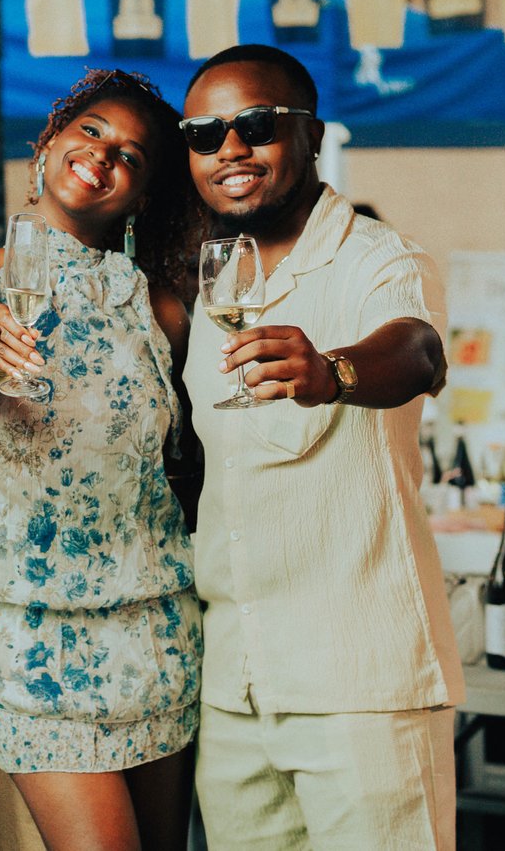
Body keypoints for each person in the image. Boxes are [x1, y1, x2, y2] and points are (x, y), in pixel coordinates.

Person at [180, 44, 459, 850]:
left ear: (313, 135)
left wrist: (333, 371)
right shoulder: (210, 282)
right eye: (204, 135)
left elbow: (418, 352)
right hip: (235, 687)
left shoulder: (381, 257)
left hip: (360, 683)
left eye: (257, 125)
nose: (230, 148)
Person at [0, 68, 200, 851]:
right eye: (91, 131)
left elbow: (182, 460)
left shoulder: (163, 307)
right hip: (28, 633)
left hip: (155, 625)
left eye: (131, 156)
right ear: (48, 142)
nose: (103, 155)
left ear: (143, 195)